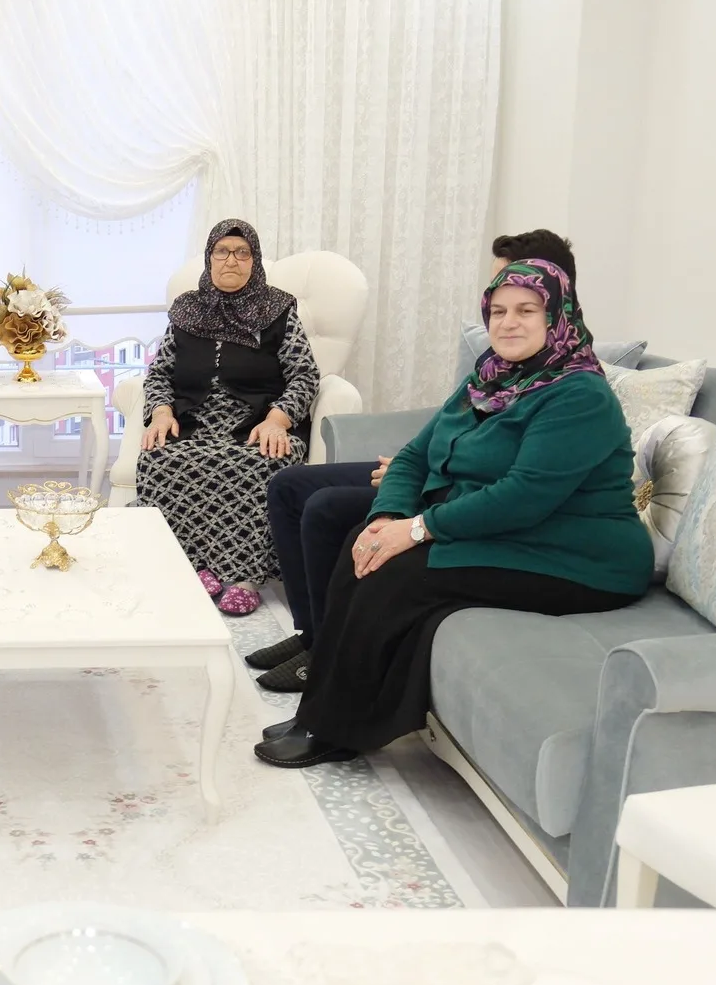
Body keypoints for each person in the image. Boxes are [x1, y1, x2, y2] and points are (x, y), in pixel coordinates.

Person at [254, 259, 651, 770]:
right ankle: (322, 706)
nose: (509, 322)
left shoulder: (578, 394)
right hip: (517, 534)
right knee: (365, 541)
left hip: (578, 557)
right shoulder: (490, 377)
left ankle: (340, 728)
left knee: (397, 571)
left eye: (527, 310)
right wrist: (386, 516)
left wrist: (418, 529)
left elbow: (523, 496)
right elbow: (417, 453)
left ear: (558, 318)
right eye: (499, 311)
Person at [248, 228, 586, 693]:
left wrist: (425, 485)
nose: (498, 307)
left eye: (516, 293)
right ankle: (314, 633)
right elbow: (450, 430)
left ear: (551, 291)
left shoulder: (569, 376)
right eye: (496, 296)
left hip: (454, 492)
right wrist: (411, 473)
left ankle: (329, 648)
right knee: (290, 485)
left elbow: (511, 470)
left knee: (326, 508)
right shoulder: (496, 362)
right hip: (436, 476)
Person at [134, 219, 319, 615]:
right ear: (209, 258)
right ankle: (192, 566)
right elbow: (160, 373)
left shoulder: (278, 309)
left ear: (254, 260)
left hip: (256, 424)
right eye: (222, 251)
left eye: (241, 252)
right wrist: (161, 411)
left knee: (261, 465)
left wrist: (279, 419)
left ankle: (243, 576)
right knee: (160, 460)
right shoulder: (186, 310)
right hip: (193, 421)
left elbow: (305, 373)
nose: (231, 260)